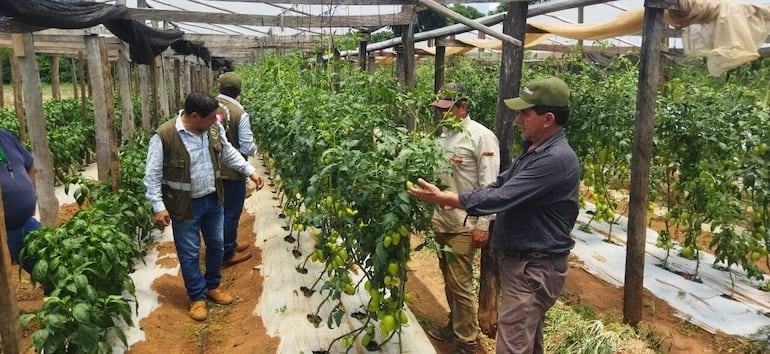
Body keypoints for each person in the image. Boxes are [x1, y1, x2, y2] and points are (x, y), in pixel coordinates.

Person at [408, 77, 579, 354]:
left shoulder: (554, 159)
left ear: (548, 118)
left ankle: (464, 340)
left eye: (525, 112)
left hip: (533, 268)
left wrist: (455, 200)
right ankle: (457, 328)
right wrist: (459, 200)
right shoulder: (533, 151)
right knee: (528, 343)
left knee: (511, 346)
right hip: (525, 264)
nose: (518, 119)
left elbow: (501, 196)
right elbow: (499, 184)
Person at [144, 92, 265, 321]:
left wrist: (250, 171)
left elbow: (228, 152)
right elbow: (152, 175)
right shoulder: (165, 136)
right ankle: (197, 297)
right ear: (194, 115)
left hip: (213, 199)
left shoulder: (212, 129)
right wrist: (158, 206)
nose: (215, 121)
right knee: (189, 253)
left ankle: (212, 286)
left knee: (217, 244)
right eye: (210, 117)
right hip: (184, 205)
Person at [426, 83, 500, 354]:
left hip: (464, 224)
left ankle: (466, 341)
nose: (441, 115)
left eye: (447, 109)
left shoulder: (481, 137)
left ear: (463, 107)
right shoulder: (443, 136)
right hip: (442, 222)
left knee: (460, 282)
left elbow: (489, 185)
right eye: (439, 110)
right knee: (448, 278)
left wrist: (483, 224)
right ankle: (454, 323)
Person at [215, 72, 257, 267]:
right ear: (239, 92)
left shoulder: (209, 106)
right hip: (233, 170)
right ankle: (226, 253)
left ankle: (227, 244)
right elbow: (247, 147)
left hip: (212, 168)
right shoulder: (240, 114)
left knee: (218, 211)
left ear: (218, 88)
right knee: (231, 212)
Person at [0, 128, 42, 275]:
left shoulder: (4, 136)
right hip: (4, 230)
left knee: (52, 262)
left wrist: (29, 192)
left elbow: (29, 164)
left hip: (26, 222)